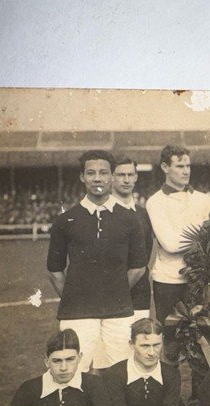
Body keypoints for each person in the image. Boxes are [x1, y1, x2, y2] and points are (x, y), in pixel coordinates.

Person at [47, 150, 147, 373]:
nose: (98, 178)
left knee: (122, 372)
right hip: (78, 312)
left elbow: (139, 266)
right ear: (82, 177)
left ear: (112, 176)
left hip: (119, 311)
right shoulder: (66, 220)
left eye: (103, 172)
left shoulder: (130, 218)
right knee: (73, 372)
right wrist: (76, 297)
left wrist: (115, 292)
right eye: (91, 173)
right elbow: (55, 271)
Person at [145, 145, 210, 358]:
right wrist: (204, 232)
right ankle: (172, 392)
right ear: (165, 167)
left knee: (203, 344)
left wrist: (200, 235)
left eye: (188, 165)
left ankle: (198, 393)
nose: (186, 171)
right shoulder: (155, 202)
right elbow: (170, 244)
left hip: (200, 281)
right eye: (180, 166)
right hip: (168, 282)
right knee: (171, 348)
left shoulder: (204, 199)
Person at [111, 156, 153, 322]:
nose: (127, 180)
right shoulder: (101, 212)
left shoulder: (143, 214)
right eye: (121, 175)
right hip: (108, 294)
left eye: (130, 175)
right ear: (112, 177)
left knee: (139, 343)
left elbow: (146, 252)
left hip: (139, 294)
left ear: (136, 177)